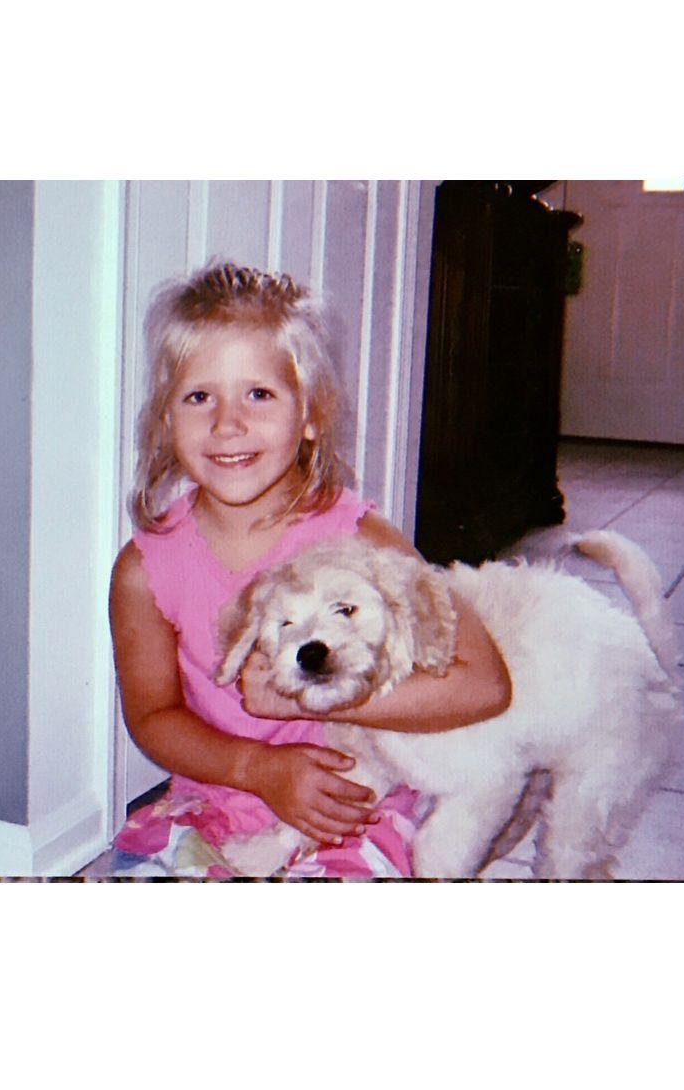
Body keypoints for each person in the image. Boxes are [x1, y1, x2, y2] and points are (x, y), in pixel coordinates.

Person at [107, 261, 511, 877]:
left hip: (354, 795)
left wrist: (310, 706)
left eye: (259, 394)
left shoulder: (362, 541)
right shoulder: (144, 569)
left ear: (312, 415)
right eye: (198, 397)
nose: (227, 423)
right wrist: (256, 769)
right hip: (214, 793)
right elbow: (152, 717)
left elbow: (483, 685)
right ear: (167, 420)